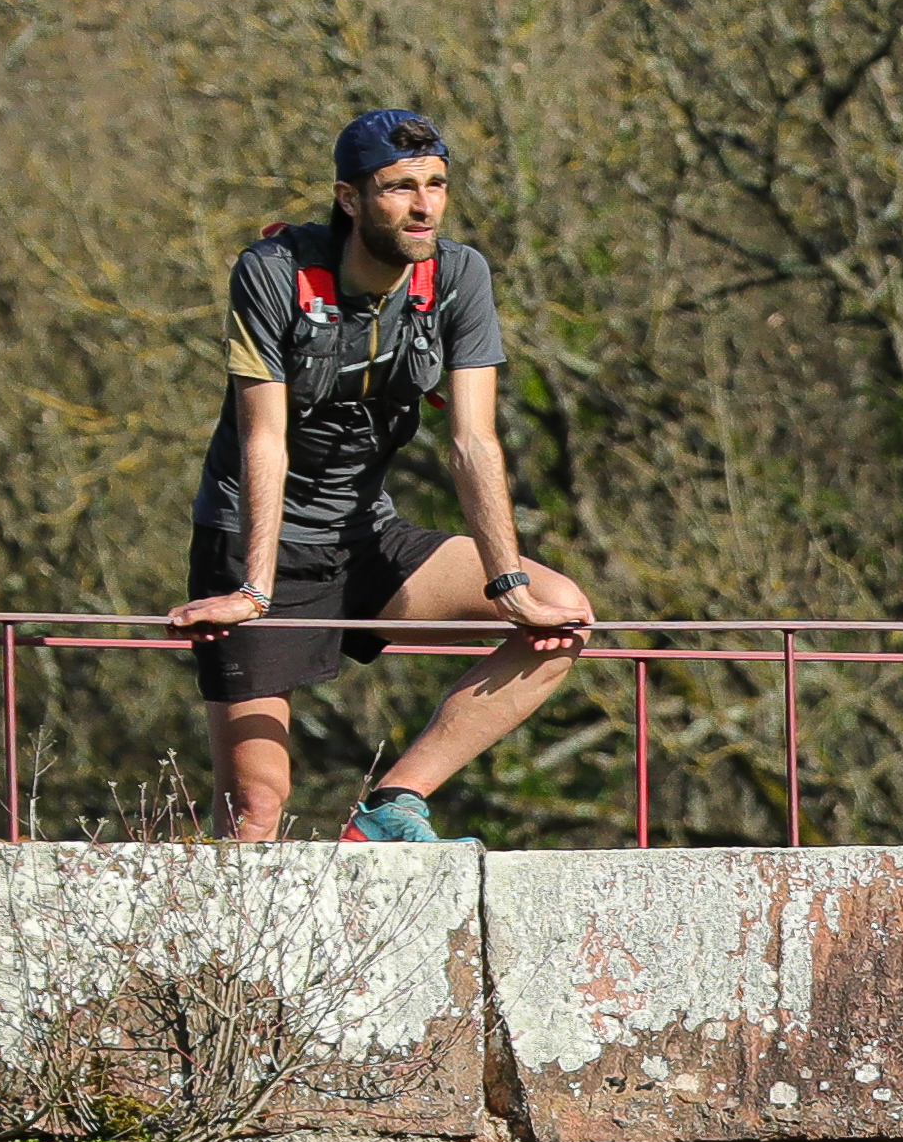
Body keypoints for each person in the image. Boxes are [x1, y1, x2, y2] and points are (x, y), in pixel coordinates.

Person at [165, 109, 595, 841]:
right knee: (255, 807)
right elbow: (262, 439)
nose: (424, 205)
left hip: (368, 536)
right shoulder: (273, 273)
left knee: (564, 613)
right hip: (255, 545)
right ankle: (232, 958)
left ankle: (392, 805)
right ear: (350, 199)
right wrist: (253, 589)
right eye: (399, 188)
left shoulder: (459, 276)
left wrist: (510, 587)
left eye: (436, 184)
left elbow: (473, 440)